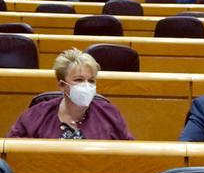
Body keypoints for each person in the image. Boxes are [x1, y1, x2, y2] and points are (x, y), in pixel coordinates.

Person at [7, 49, 135, 140]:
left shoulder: (110, 114)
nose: (86, 86)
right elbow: (11, 150)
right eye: (78, 80)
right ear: (62, 85)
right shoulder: (36, 115)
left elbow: (130, 154)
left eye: (91, 81)